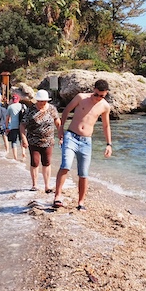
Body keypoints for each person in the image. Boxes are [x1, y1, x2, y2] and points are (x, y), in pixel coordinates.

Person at [53, 79, 113, 211]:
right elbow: (66, 111)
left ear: (106, 93)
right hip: (71, 136)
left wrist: (109, 144)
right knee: (65, 165)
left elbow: (106, 125)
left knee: (84, 173)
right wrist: (61, 129)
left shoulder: (105, 106)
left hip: (86, 141)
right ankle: (57, 196)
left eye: (101, 96)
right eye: (96, 94)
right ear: (94, 89)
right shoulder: (81, 97)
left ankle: (81, 202)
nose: (98, 98)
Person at [20, 89, 61, 192]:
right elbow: (22, 125)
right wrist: (23, 138)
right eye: (40, 101)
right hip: (33, 140)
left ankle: (47, 186)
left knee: (47, 162)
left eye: (44, 101)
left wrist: (61, 136)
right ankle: (35, 185)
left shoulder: (52, 109)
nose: (42, 103)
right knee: (35, 162)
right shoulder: (30, 110)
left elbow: (58, 123)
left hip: (48, 141)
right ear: (37, 100)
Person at [5, 93, 27, 162]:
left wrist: (6, 127)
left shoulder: (10, 107)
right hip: (22, 126)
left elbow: (7, 118)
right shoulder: (23, 106)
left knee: (14, 141)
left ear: (12, 100)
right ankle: (23, 153)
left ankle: (15, 157)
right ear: (19, 100)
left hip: (13, 126)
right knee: (22, 140)